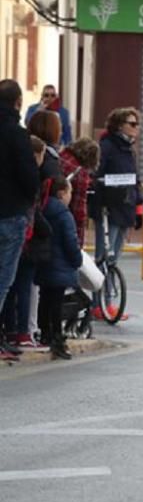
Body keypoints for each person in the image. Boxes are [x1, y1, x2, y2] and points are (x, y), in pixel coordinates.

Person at [90, 107, 143, 321]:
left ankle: (107, 302)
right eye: (132, 124)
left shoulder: (129, 149)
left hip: (125, 208)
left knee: (114, 258)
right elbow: (96, 175)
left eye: (137, 124)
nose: (136, 128)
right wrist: (99, 199)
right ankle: (99, 304)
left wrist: (138, 208)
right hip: (108, 209)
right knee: (104, 257)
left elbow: (134, 179)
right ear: (119, 125)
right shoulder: (107, 147)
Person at [0, 79, 40, 358]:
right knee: (3, 279)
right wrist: (29, 199)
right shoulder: (17, 135)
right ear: (18, 103)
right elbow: (29, 177)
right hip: (11, 213)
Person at [34, 176, 80, 360]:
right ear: (62, 193)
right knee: (56, 303)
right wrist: (77, 260)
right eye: (70, 192)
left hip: (44, 263)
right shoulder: (64, 215)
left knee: (44, 299)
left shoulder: (42, 209)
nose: (71, 196)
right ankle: (56, 337)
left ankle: (44, 332)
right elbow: (71, 242)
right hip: (60, 267)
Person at [59, 138, 100, 245]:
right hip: (66, 219)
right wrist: (79, 243)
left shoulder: (61, 157)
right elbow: (79, 212)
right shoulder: (80, 173)